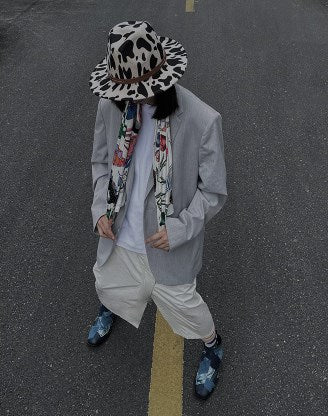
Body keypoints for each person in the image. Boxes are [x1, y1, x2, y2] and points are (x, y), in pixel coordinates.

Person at [87, 20, 228, 400]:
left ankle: (213, 345)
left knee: (186, 307)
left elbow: (213, 192)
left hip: (167, 243)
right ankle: (111, 309)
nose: (129, 97)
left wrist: (180, 228)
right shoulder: (111, 104)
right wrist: (101, 207)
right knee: (109, 283)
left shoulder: (201, 120)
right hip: (120, 233)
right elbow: (102, 162)